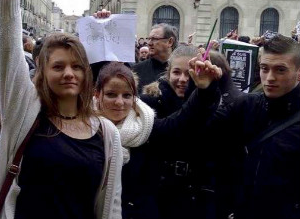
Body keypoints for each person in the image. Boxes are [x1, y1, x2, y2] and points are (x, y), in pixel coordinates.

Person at [0, 0, 123, 218]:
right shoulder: (24, 112)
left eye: (77, 67)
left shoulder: (106, 133)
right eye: (58, 66)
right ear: (42, 71)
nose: (69, 74)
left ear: (87, 74)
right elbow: (7, 50)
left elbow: (111, 205)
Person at [94, 56, 222, 219]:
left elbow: (182, 121)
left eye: (127, 95)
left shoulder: (145, 127)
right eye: (111, 94)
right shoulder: (85, 130)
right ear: (97, 94)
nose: (120, 102)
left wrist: (205, 91)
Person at [204, 34, 300, 219]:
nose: (270, 78)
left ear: (298, 72)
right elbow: (203, 132)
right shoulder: (246, 106)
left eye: (280, 70)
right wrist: (204, 91)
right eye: (264, 68)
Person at [133, 23, 178, 93]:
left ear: (170, 42)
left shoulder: (181, 71)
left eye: (154, 39)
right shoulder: (136, 70)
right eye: (149, 39)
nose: (149, 43)